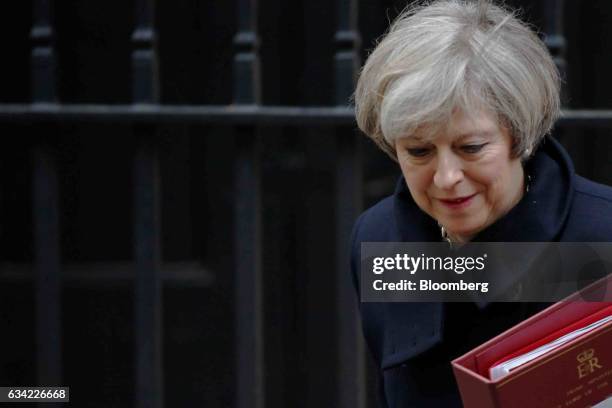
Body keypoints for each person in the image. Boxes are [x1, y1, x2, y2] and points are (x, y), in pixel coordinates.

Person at [350, 0, 612, 406]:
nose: (446, 178)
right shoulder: (380, 238)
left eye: (470, 147)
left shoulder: (602, 232)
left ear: (519, 136)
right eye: (419, 152)